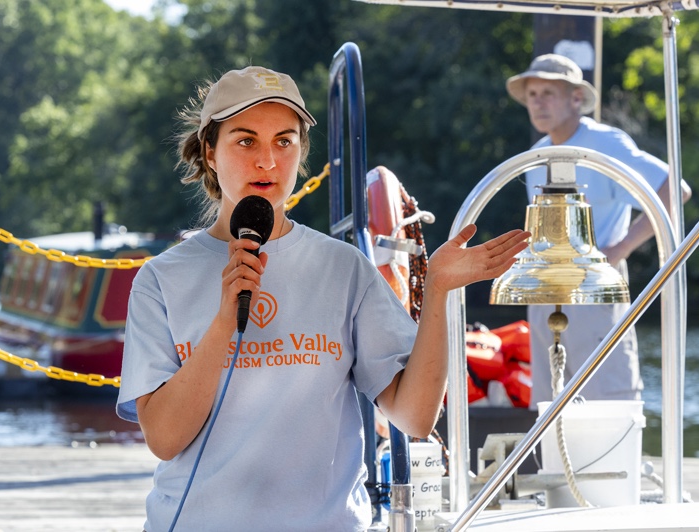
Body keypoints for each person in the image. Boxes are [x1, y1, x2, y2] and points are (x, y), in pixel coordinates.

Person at [116, 65, 530, 531]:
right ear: (210, 152)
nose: (268, 162)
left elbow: (413, 417)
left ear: (301, 152)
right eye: (246, 140)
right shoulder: (161, 279)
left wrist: (438, 291)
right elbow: (165, 439)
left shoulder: (345, 267)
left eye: (285, 141)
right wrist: (223, 320)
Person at [506, 54, 692, 407]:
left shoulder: (605, 143)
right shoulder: (535, 154)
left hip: (594, 284)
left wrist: (619, 249)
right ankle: (554, 465)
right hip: (543, 285)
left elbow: (675, 188)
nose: (538, 102)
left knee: (609, 397)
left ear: (576, 98)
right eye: (532, 94)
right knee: (547, 402)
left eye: (548, 92)